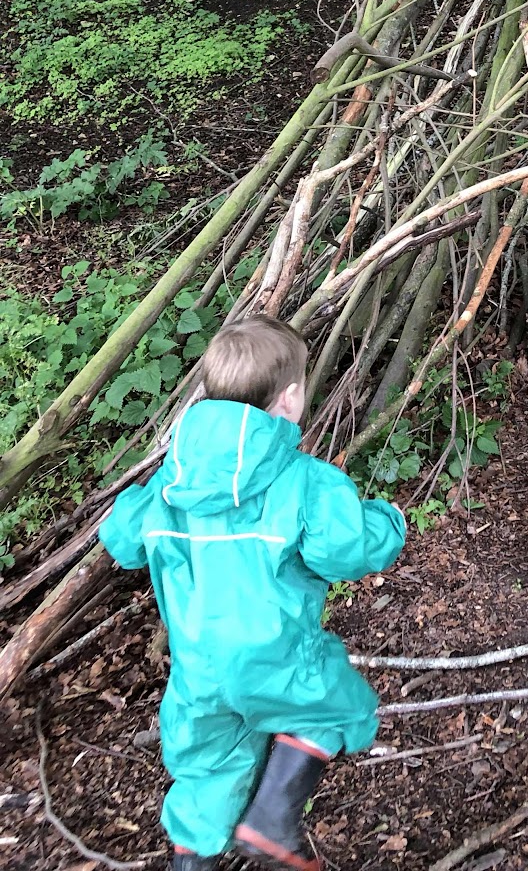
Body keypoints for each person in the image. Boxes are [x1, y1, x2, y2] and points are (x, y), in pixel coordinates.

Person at [99, 315, 407, 871]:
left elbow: (121, 539)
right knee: (337, 705)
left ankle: (192, 863)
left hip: (196, 670)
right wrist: (390, 521)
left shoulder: (174, 480)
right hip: (276, 658)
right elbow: (347, 550)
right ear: (289, 399)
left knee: (207, 770)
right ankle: (270, 822)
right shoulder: (304, 479)